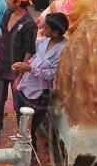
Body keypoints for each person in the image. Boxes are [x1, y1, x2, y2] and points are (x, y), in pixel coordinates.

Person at [12, 12, 68, 153]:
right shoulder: (43, 41)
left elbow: (52, 74)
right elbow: (35, 58)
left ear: (55, 33)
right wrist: (23, 67)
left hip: (40, 93)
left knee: (30, 127)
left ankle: (30, 155)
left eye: (47, 28)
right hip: (26, 85)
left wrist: (30, 68)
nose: (42, 30)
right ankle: (23, 151)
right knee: (22, 122)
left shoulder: (63, 50)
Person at [0, 0, 34, 147]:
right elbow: (2, 38)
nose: (6, 1)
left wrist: (20, 76)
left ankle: (23, 138)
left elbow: (29, 51)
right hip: (1, 65)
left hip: (16, 70)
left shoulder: (28, 24)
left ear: (18, 2)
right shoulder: (7, 13)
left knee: (18, 105)